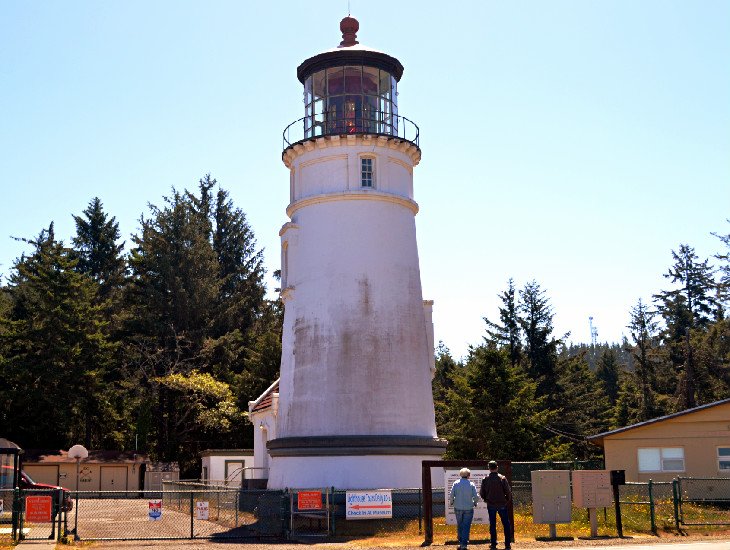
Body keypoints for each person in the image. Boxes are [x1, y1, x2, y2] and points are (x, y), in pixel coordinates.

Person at [480, 460, 512, 550]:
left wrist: (486, 500)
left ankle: (493, 544)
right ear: (497, 467)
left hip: (491, 504)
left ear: (489, 468)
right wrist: (506, 501)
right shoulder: (502, 478)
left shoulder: (485, 479)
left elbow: (482, 493)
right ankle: (507, 544)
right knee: (506, 524)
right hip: (502, 504)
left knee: (493, 524)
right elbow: (508, 492)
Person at [449, 467, 478, 550]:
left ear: (461, 474)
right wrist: (475, 503)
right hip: (468, 508)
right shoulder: (471, 484)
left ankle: (461, 541)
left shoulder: (456, 483)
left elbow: (451, 495)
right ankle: (464, 544)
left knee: (460, 525)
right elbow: (475, 496)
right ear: (468, 475)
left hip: (457, 507)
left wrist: (451, 502)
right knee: (466, 526)